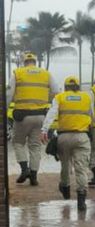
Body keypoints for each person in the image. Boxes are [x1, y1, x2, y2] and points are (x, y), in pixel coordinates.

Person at [41, 76, 92, 211]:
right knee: (81, 168)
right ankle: (81, 199)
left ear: (65, 87)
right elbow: (92, 116)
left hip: (64, 137)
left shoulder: (60, 97)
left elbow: (51, 114)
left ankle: (65, 188)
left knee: (65, 165)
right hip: (82, 136)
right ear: (78, 86)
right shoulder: (86, 98)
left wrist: (44, 130)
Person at [8, 53, 58, 185]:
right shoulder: (46, 74)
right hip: (40, 116)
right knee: (35, 146)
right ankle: (34, 176)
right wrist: (46, 99)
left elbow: (9, 93)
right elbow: (56, 90)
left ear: (24, 62)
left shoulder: (18, 73)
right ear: (35, 62)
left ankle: (25, 170)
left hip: (22, 116)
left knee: (18, 143)